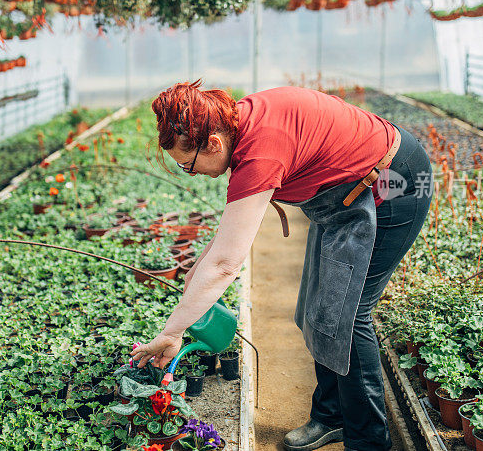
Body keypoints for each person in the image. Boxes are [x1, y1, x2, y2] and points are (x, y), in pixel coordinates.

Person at [131, 80, 433, 451]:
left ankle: (370, 442)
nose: (195, 173)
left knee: (349, 317)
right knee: (319, 310)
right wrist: (195, 278)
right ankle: (331, 416)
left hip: (393, 184)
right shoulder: (238, 126)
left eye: (190, 166)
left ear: (213, 143)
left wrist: (173, 331)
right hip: (345, 201)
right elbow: (227, 238)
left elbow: (227, 263)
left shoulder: (260, 153)